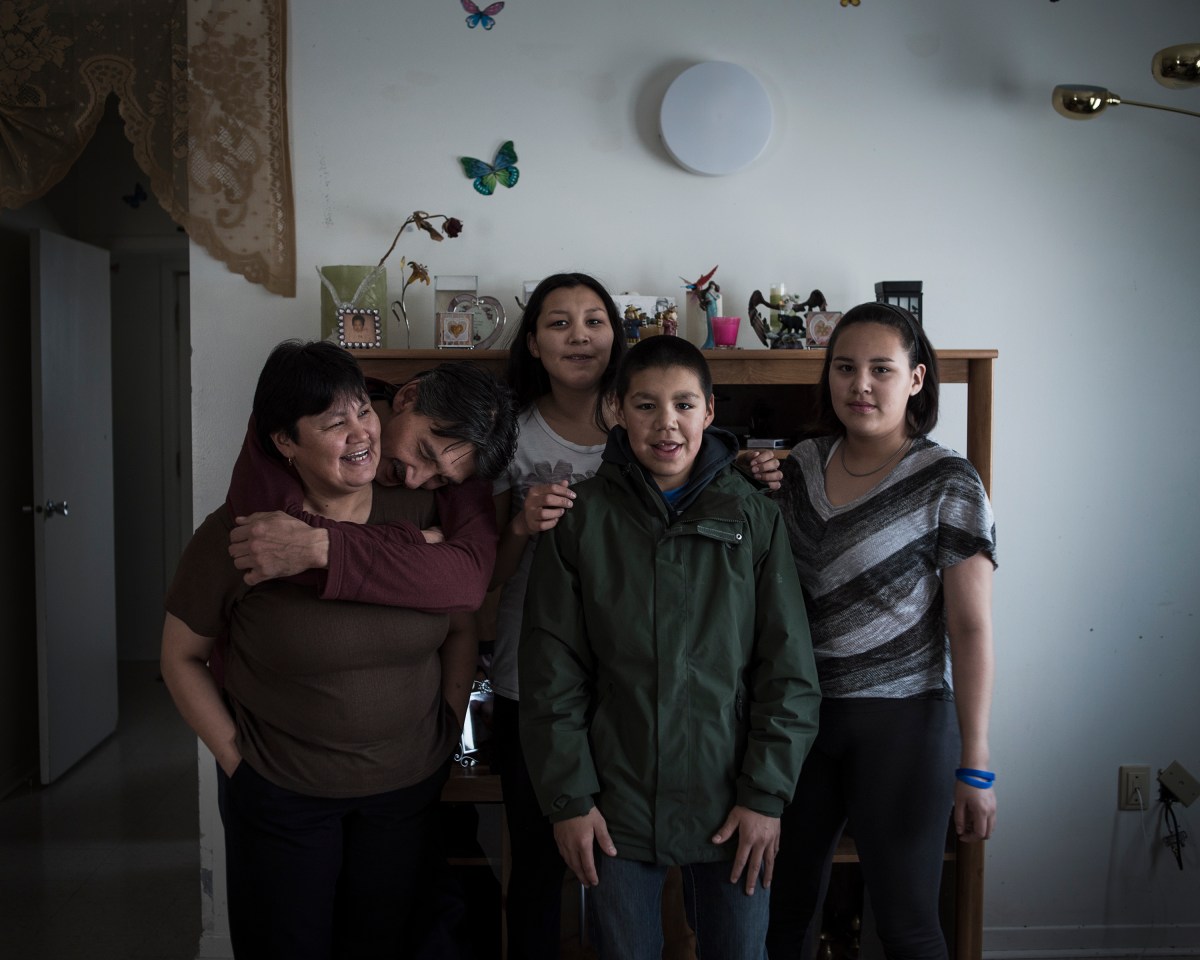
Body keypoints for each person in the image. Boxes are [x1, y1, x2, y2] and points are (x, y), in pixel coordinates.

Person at [489, 272, 784, 958]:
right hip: (612, 791)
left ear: (711, 411)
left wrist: (765, 793)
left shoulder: (751, 514)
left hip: (728, 786)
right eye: (647, 406)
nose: (667, 422)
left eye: (685, 405)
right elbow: (553, 671)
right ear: (619, 411)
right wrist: (569, 798)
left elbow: (784, 670)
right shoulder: (574, 510)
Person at [160, 340, 486, 958]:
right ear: (285, 441)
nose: (361, 432)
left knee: (388, 944)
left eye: (364, 410)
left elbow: (463, 627)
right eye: (334, 422)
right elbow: (180, 657)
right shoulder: (241, 533)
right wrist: (240, 764)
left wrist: (446, 722)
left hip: (405, 792)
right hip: (283, 797)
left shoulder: (421, 505)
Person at [765, 302, 998, 960]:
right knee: (782, 916)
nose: (859, 384)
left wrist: (975, 764)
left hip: (904, 723)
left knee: (906, 924)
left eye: (880, 369)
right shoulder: (802, 465)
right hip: (799, 722)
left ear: (917, 380)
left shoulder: (948, 480)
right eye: (844, 368)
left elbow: (971, 628)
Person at [222, 356, 520, 616]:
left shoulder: (463, 455)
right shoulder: (302, 411)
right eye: (423, 452)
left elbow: (468, 583)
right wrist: (411, 540)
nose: (414, 481)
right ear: (407, 397)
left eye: (440, 479)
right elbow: (271, 543)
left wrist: (322, 547)